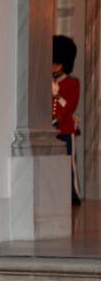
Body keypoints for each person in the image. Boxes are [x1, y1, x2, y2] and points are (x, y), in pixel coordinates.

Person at [52, 35, 82, 205]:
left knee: (69, 164)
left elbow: (70, 105)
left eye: (55, 62)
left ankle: (73, 195)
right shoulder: (48, 81)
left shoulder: (73, 83)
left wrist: (57, 96)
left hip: (65, 128)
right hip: (51, 130)